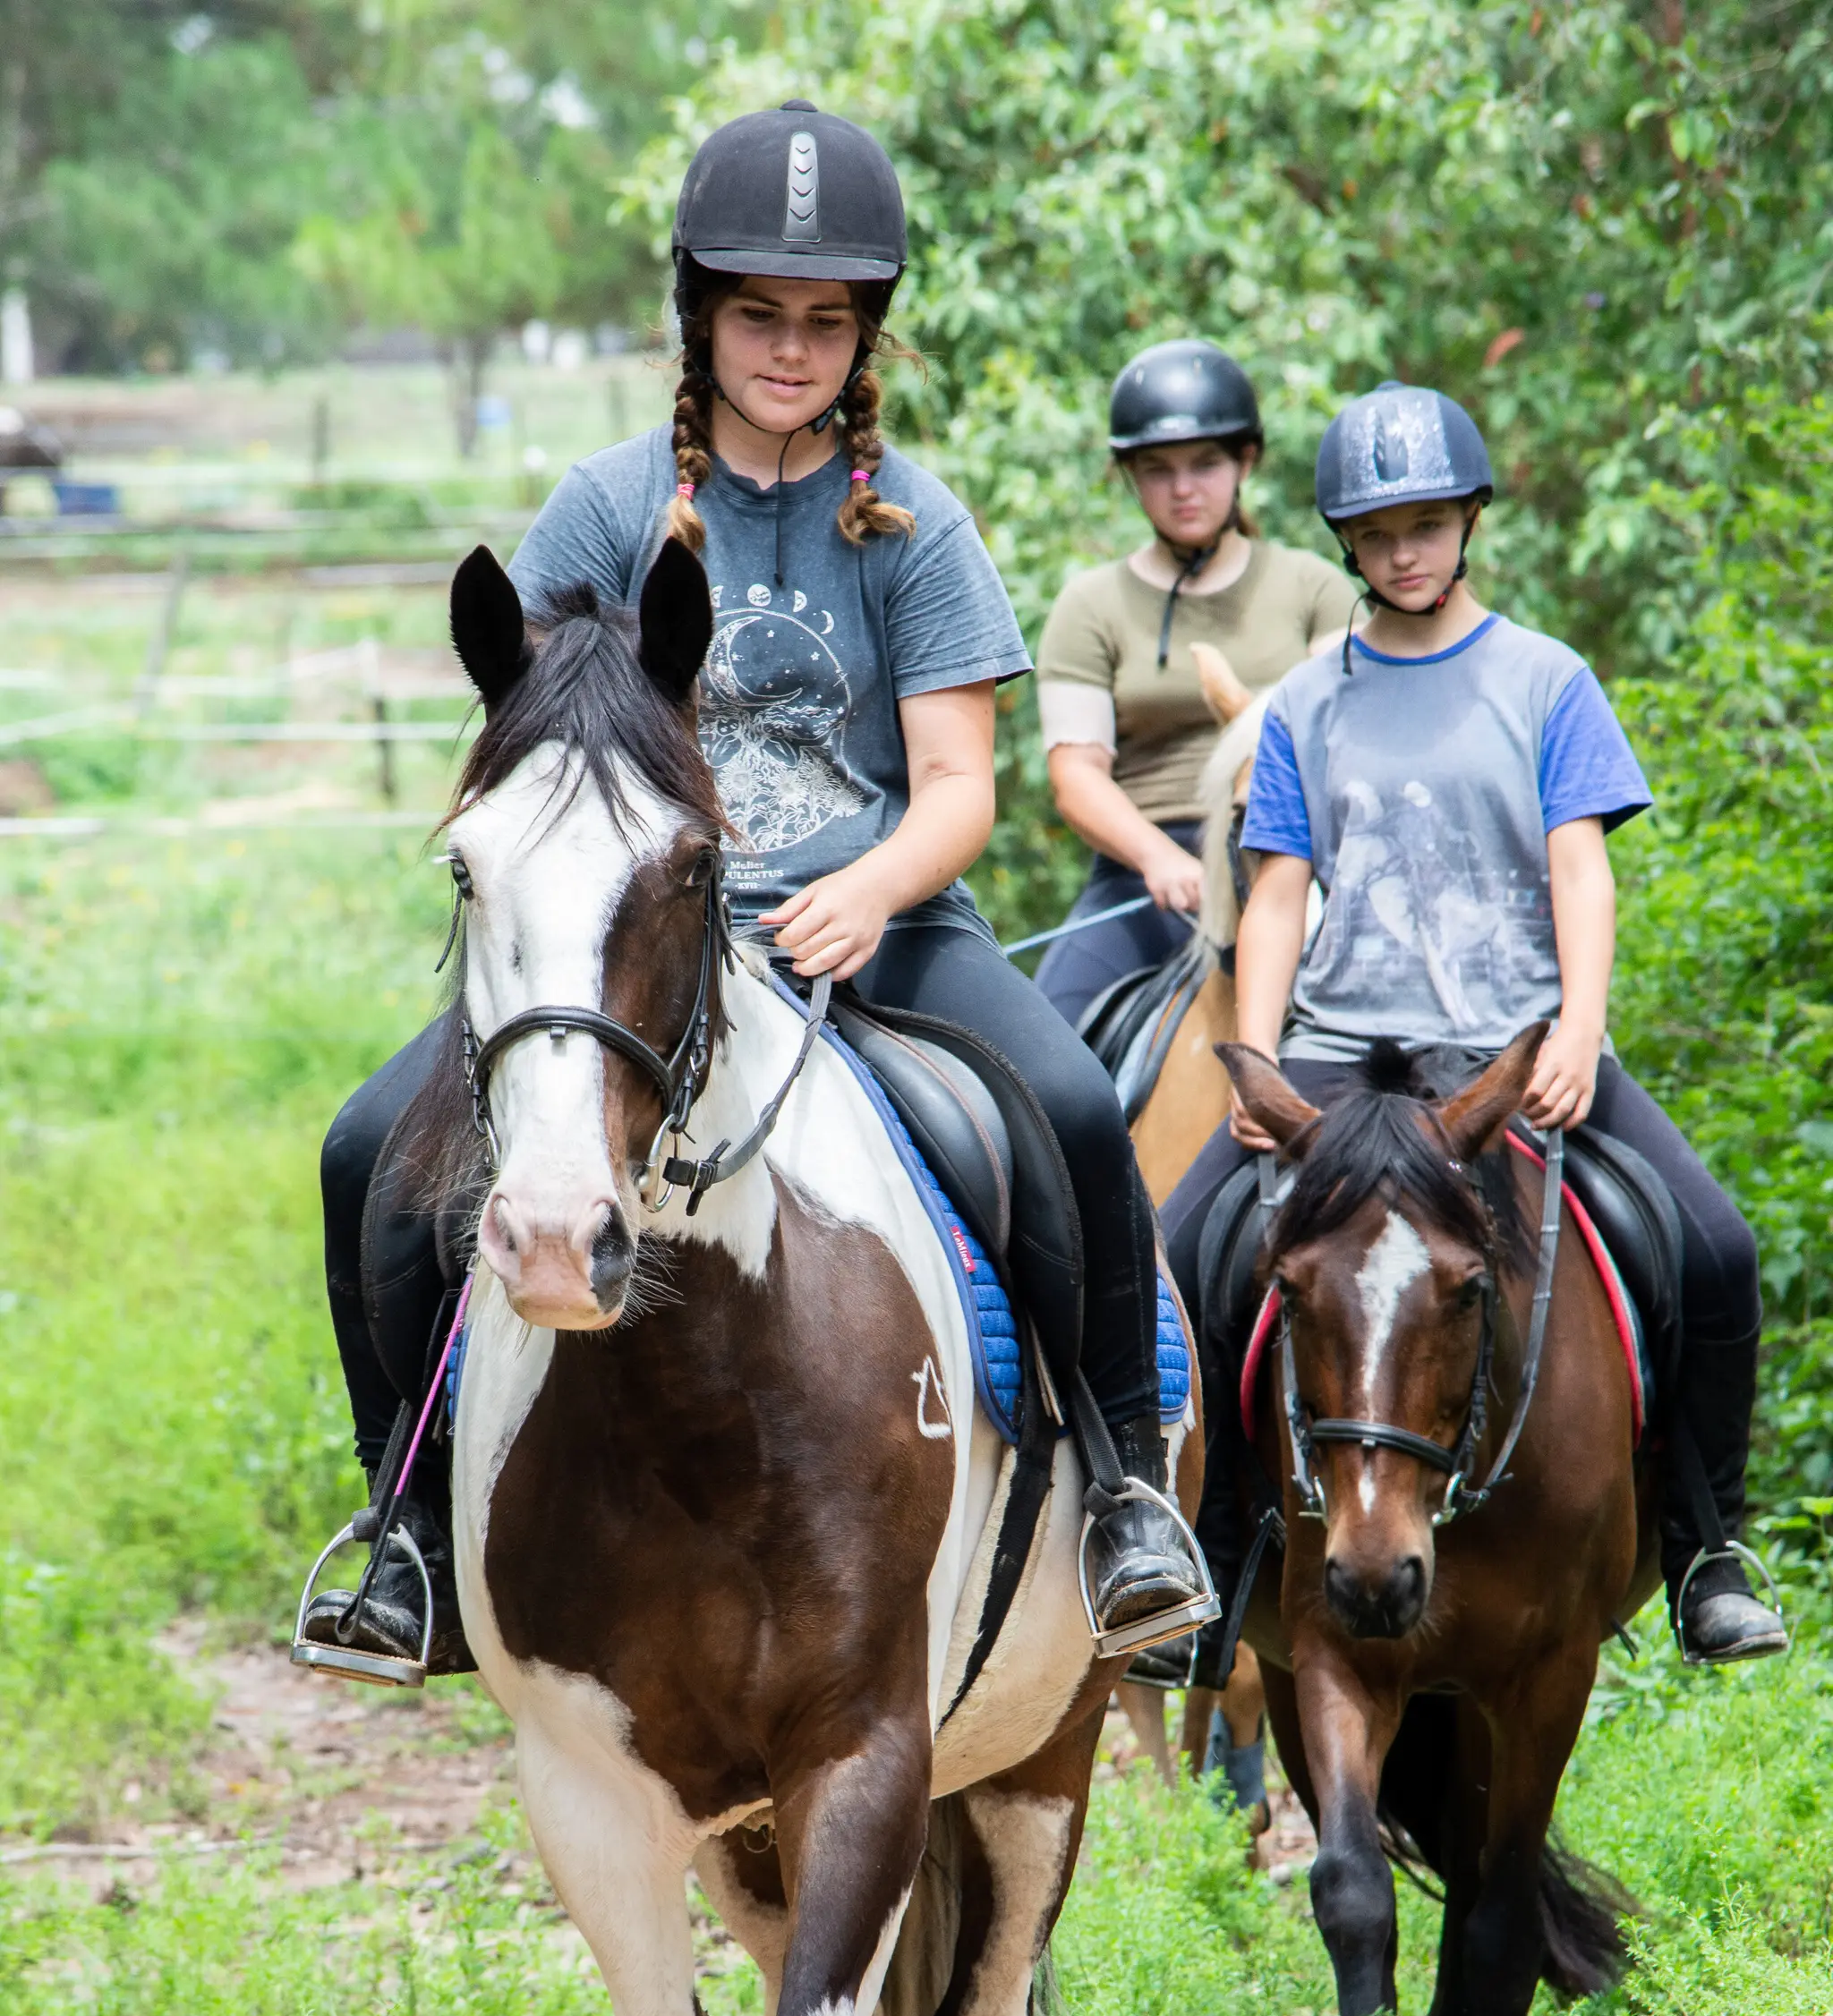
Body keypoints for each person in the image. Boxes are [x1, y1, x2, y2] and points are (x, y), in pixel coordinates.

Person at [303, 100, 1211, 1674]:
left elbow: (956, 792)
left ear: (862, 338)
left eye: (824, 321)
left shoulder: (912, 526)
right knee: (368, 1151)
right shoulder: (598, 510)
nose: (789, 349)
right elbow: (532, 754)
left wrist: (865, 890)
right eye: (757, 315)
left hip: (878, 927)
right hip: (632, 944)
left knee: (1066, 1109)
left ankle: (1125, 1492)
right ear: (698, 318)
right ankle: (409, 1534)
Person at [1162, 379, 1786, 1667]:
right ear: (1347, 543)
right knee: (1179, 1249)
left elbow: (1579, 868)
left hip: (1516, 1048)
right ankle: (1216, 1553)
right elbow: (1277, 889)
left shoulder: (1546, 681)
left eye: (1429, 523)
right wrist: (1262, 1054)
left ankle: (1706, 1548)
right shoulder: (1306, 707)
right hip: (1344, 1050)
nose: (1406, 551)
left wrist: (1576, 1029)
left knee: (1715, 1250)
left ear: (1470, 519)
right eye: (1380, 533)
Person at [1031, 341, 1356, 1031]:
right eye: (1159, 470)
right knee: (1047, 1065)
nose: (1184, 488)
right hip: (1149, 873)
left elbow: (1350, 736)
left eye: (1205, 464)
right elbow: (1077, 775)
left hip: (1297, 854)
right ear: (1131, 478)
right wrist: (1160, 858)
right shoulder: (1090, 604)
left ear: (1245, 462)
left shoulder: (1314, 587)